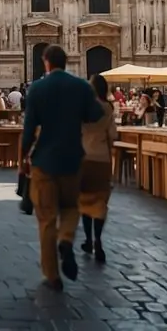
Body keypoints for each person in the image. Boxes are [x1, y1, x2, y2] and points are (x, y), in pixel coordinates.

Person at [20, 45, 104, 291]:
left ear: (46, 62)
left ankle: (52, 275)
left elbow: (27, 132)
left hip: (44, 161)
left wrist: (22, 159)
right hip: (72, 158)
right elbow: (96, 114)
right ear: (66, 62)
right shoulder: (81, 87)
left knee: (46, 218)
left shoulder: (37, 88)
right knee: (70, 206)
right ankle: (66, 239)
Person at [79, 74, 117, 263]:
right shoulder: (109, 109)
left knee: (85, 201)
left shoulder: (83, 108)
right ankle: (98, 240)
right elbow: (112, 135)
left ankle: (87, 239)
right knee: (100, 202)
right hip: (102, 159)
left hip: (84, 158)